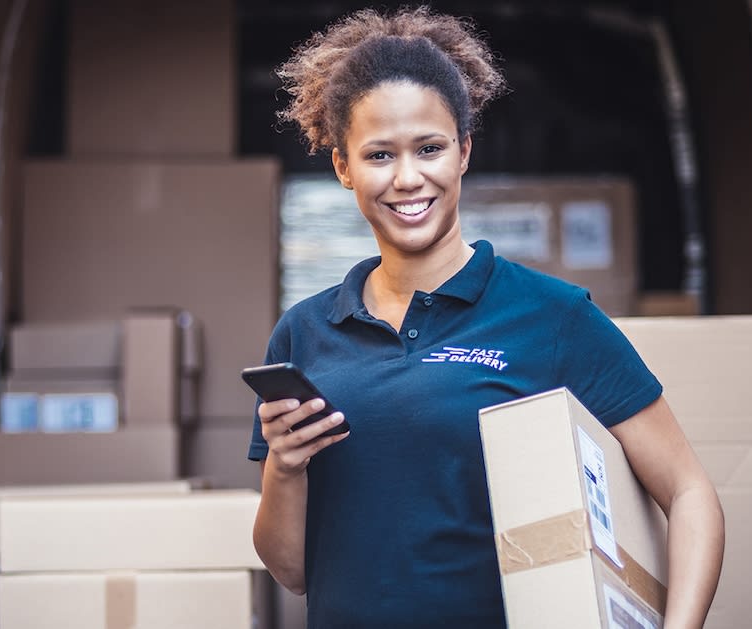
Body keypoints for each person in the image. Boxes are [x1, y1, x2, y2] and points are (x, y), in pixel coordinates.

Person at [247, 6, 724, 628]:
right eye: (379, 155)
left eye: (430, 148)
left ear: (464, 151)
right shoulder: (306, 333)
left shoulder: (552, 317)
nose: (408, 178)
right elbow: (292, 571)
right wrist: (285, 467)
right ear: (343, 167)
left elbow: (691, 495)